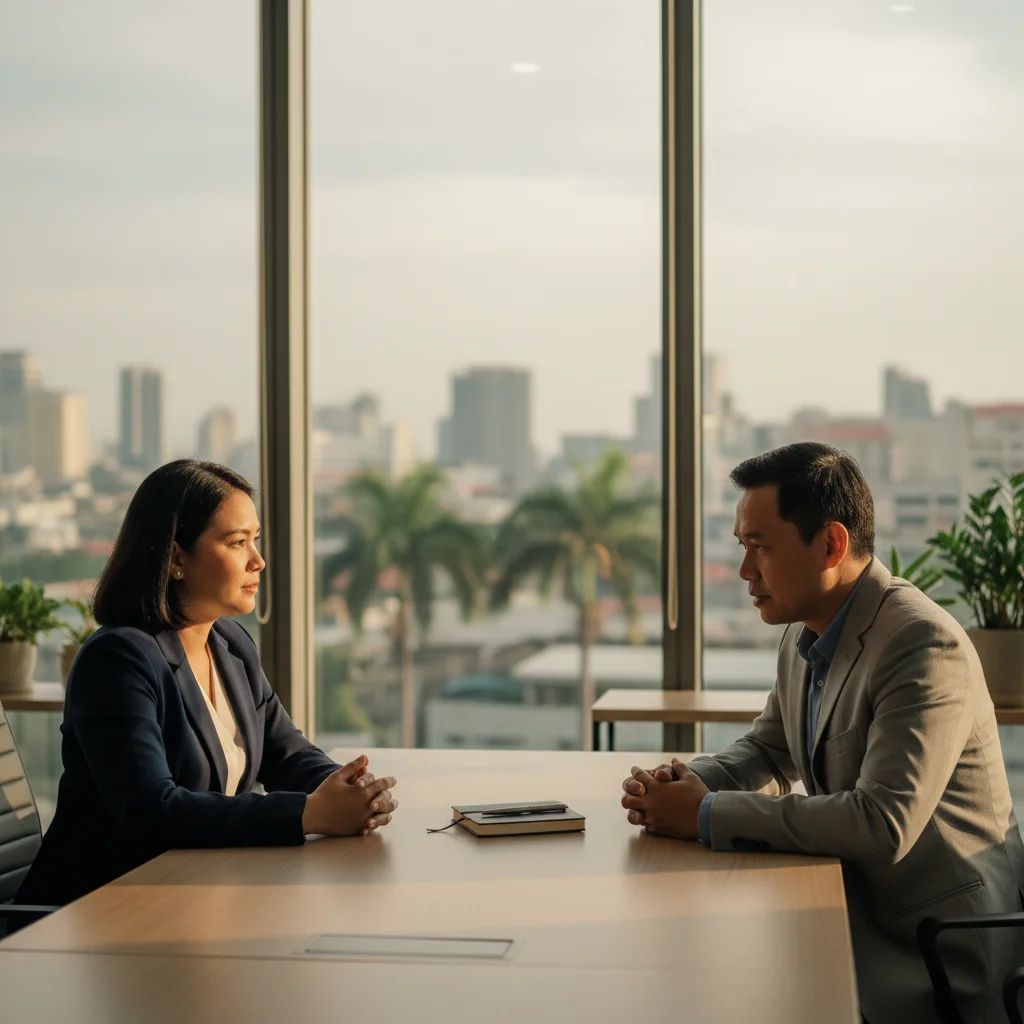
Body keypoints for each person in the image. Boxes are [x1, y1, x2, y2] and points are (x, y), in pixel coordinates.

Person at [620, 443, 1024, 1023]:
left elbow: (882, 822)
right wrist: (681, 784)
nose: (744, 571)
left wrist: (707, 813)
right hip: (847, 906)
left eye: (760, 548)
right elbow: (767, 747)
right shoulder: (805, 632)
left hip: (932, 948)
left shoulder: (921, 645)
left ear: (831, 544)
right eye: (742, 547)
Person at [16, 460, 398, 908]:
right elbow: (154, 812)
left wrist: (350, 789)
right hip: (97, 914)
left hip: (195, 898)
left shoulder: (230, 643)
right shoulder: (117, 659)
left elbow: (287, 753)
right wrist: (311, 813)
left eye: (255, 539)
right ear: (176, 557)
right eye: (237, 543)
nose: (258, 560)